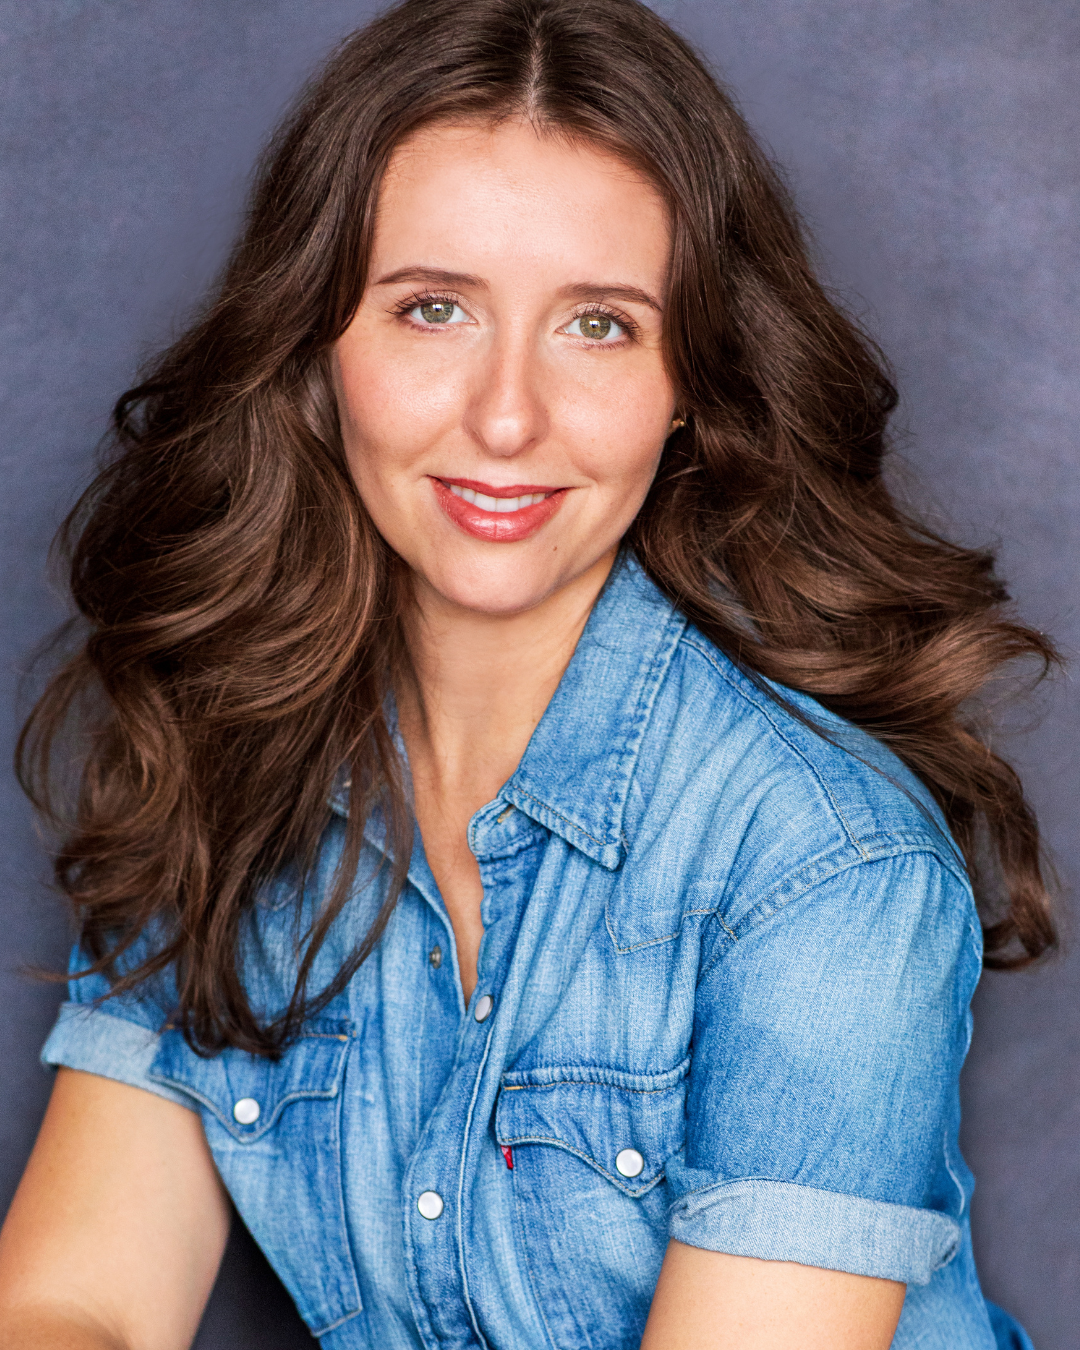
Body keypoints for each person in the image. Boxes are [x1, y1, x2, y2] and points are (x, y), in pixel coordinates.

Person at [0, 0, 1056, 1346]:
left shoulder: (824, 865)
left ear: (692, 378)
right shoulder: (236, 748)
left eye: (598, 325)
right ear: (320, 344)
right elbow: (76, 1298)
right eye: (432, 309)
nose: (506, 416)